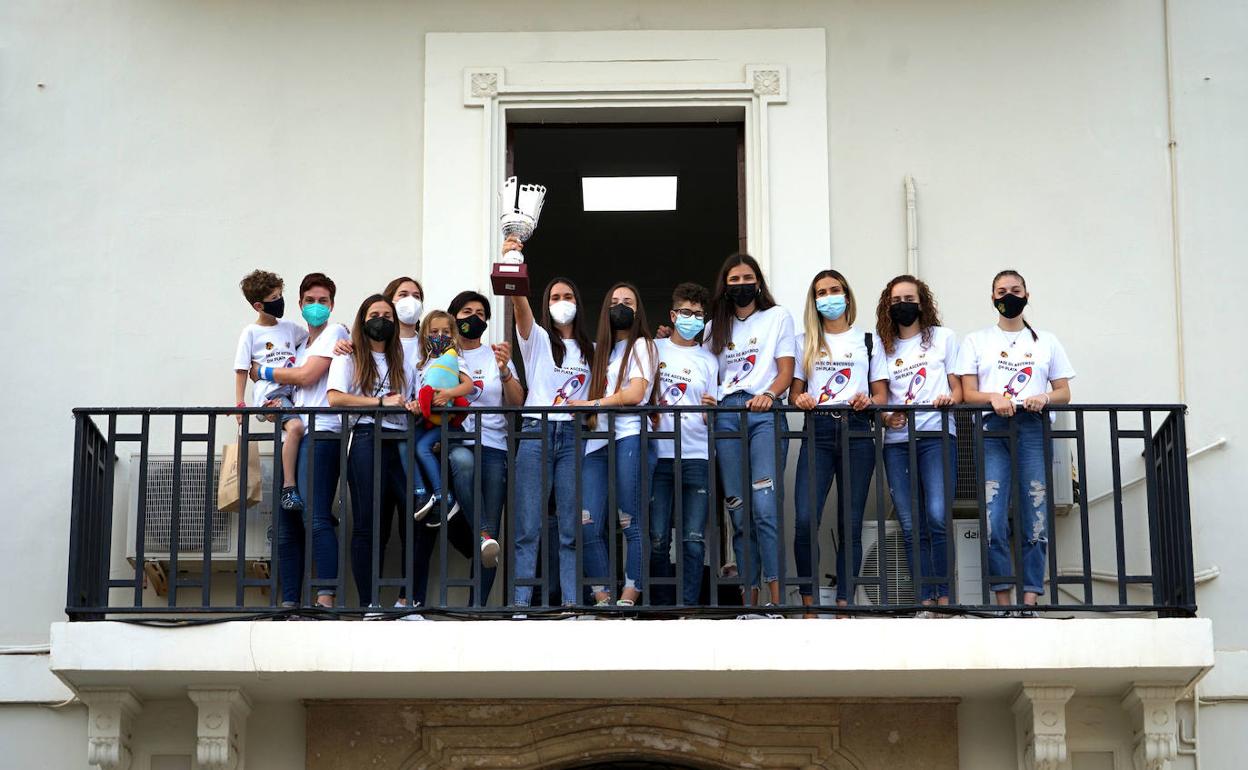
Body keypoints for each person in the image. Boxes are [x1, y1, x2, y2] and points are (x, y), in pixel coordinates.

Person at [955, 270, 1074, 613]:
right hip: (993, 429)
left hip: (1032, 428)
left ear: (1027, 294)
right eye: (1002, 291)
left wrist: (1044, 397)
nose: (1009, 295)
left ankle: (1030, 599)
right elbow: (966, 392)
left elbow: (1064, 391)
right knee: (992, 515)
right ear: (993, 298)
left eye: (1015, 290)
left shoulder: (1046, 341)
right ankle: (1003, 599)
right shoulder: (977, 341)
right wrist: (993, 397)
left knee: (1035, 513)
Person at [790, 269, 887, 612]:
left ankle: (844, 603)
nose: (828, 297)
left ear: (846, 295)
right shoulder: (805, 341)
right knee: (804, 520)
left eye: (834, 290)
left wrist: (869, 402)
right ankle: (809, 604)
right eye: (821, 292)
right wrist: (799, 400)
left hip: (858, 430)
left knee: (851, 523)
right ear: (814, 301)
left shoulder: (868, 340)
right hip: (817, 429)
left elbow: (881, 395)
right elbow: (795, 393)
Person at [506, 237, 595, 608]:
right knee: (528, 527)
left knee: (571, 529)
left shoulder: (593, 349)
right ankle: (522, 605)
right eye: (555, 298)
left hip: (574, 436)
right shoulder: (538, 339)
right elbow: (518, 303)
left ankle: (573, 605)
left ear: (579, 304)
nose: (562, 303)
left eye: (568, 297)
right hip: (537, 432)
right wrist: (512, 258)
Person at [251, 273, 347, 610]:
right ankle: (289, 600)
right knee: (287, 520)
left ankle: (325, 598)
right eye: (310, 301)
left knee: (315, 515)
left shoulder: (335, 334)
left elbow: (307, 376)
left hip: (322, 433)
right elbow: (292, 387)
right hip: (297, 433)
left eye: (323, 301)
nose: (317, 306)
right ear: (300, 305)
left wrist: (262, 372)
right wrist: (272, 403)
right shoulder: (300, 343)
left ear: (332, 305)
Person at [704, 253, 795, 608]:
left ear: (758, 282)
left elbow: (785, 370)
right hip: (726, 415)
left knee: (765, 508)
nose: (741, 285)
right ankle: (750, 601)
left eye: (747, 278)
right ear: (724, 286)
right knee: (739, 513)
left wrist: (770, 395)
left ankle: (776, 600)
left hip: (764, 413)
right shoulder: (714, 327)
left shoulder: (777, 317)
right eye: (734, 280)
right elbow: (699, 368)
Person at [874, 274, 961, 614]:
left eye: (909, 298)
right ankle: (925, 600)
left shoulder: (943, 338)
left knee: (938, 516)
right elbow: (880, 396)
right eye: (896, 301)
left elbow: (960, 389)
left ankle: (945, 597)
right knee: (911, 525)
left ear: (922, 302)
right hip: (897, 443)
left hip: (937, 436)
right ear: (887, 306)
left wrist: (949, 399)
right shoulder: (883, 346)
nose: (903, 305)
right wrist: (886, 417)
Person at [569, 283, 658, 606]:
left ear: (638, 311)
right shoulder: (599, 351)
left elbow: (635, 395)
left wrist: (592, 404)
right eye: (615, 301)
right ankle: (602, 595)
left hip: (629, 435)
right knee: (587, 521)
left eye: (628, 302)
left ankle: (631, 592)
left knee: (629, 518)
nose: (621, 306)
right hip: (596, 441)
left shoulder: (644, 346)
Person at [326, 294, 417, 609]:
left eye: (388, 316)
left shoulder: (403, 359)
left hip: (402, 442)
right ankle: (370, 604)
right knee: (368, 522)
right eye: (375, 314)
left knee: (414, 517)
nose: (382, 320)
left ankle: (409, 601)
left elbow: (415, 396)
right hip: (365, 439)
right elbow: (335, 398)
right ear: (362, 319)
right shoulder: (348, 356)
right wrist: (380, 403)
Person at [446, 291, 524, 602]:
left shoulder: (496, 356)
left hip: (494, 447)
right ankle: (477, 532)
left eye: (480, 313)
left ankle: (476, 607)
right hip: (455, 442)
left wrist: (505, 371)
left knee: (491, 536)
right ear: (454, 317)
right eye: (467, 311)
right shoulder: (443, 353)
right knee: (461, 467)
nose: (474, 318)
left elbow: (517, 402)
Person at [648, 282, 718, 606]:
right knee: (658, 537)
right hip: (659, 454)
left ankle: (687, 607)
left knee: (692, 539)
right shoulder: (653, 349)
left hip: (697, 455)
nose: (692, 318)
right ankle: (661, 604)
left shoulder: (709, 360)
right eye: (687, 312)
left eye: (699, 314)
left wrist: (711, 411)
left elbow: (712, 411)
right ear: (673, 314)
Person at [234, 269, 308, 514]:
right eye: (273, 298)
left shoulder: (289, 327)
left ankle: (308, 491)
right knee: (296, 428)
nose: (279, 301)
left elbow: (311, 340)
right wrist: (240, 405)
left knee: (302, 435)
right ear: (258, 305)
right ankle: (289, 488)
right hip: (271, 395)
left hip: (294, 395)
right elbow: (242, 369)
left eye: (280, 295)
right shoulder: (251, 333)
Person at [411, 310, 476, 526]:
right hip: (427, 421)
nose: (441, 335)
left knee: (421, 448)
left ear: (454, 335)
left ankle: (443, 496)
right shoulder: (422, 364)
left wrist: (448, 394)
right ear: (425, 336)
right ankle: (423, 493)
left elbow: (469, 385)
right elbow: (418, 393)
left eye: (446, 332)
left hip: (449, 423)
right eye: (435, 331)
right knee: (408, 445)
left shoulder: (455, 359)